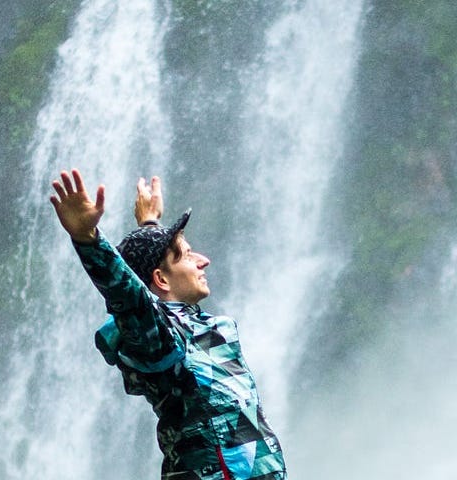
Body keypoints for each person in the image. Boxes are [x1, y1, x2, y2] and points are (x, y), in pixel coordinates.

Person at [49, 169, 286, 480]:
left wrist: (149, 226)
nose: (203, 260)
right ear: (160, 280)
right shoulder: (158, 341)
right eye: (187, 256)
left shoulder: (206, 327)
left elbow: (150, 279)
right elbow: (133, 299)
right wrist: (87, 240)